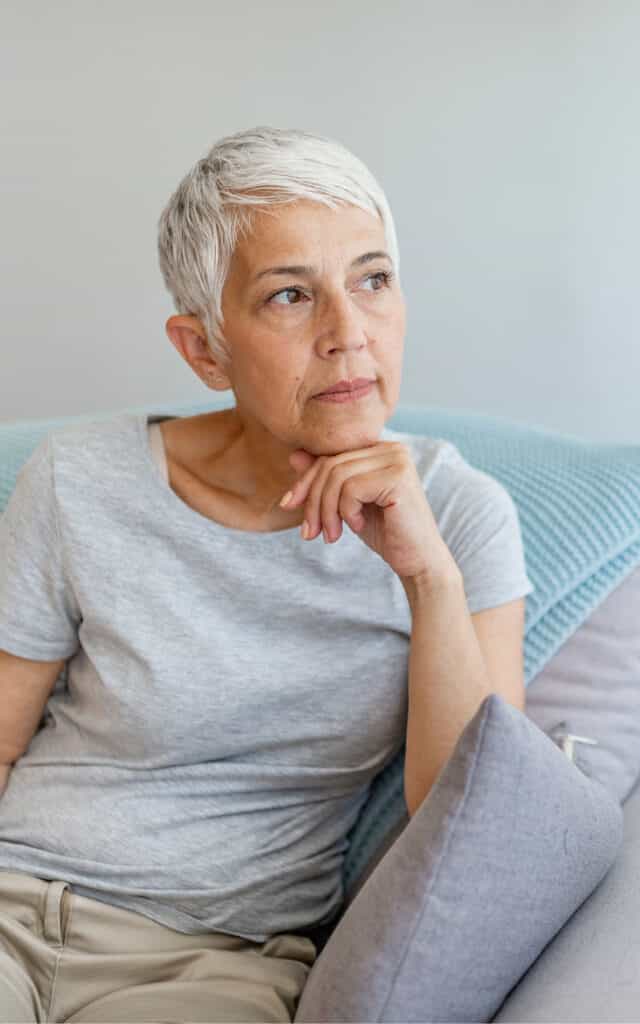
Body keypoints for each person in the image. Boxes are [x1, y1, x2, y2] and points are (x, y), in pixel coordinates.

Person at [0, 125, 533, 1022]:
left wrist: (427, 579)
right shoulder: (76, 479)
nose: (347, 334)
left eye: (373, 280)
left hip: (217, 963)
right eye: (290, 295)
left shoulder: (463, 519)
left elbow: (474, 825)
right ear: (205, 349)